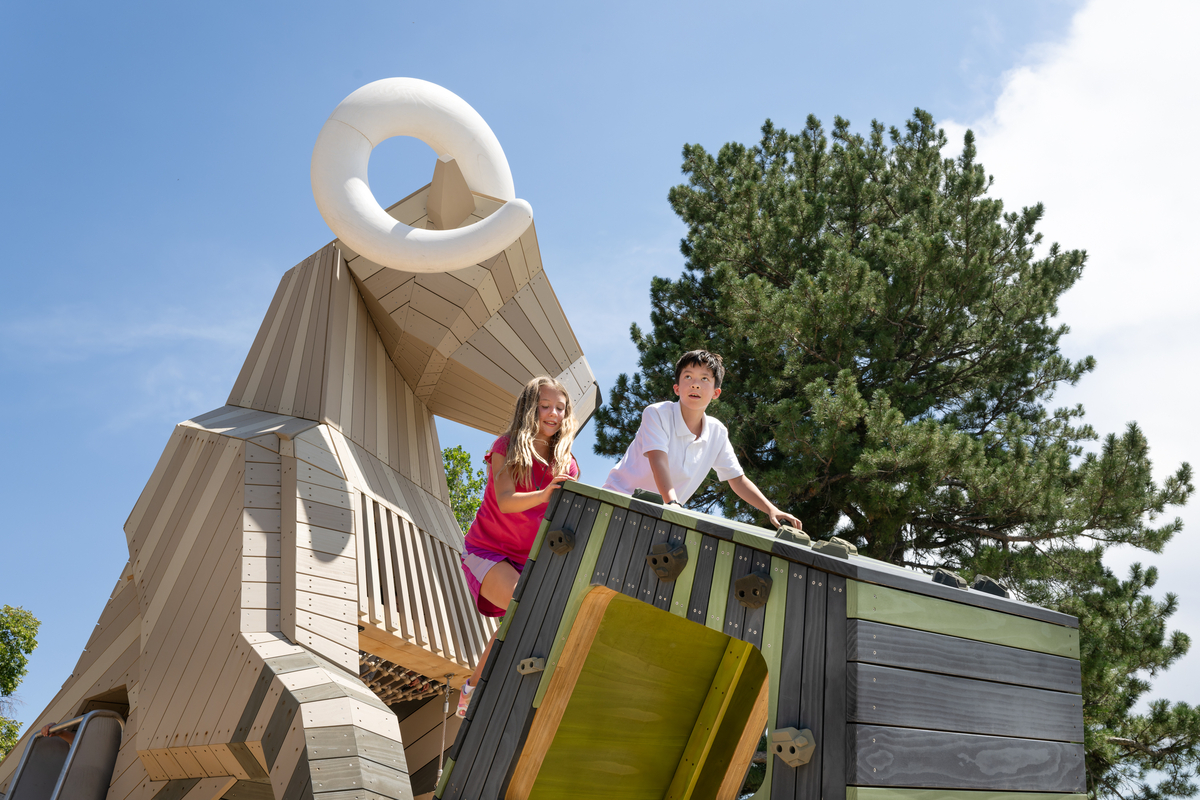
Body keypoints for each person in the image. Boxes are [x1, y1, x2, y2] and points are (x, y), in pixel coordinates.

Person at [457, 376, 579, 716]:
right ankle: (474, 691)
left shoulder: (567, 464)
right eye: (545, 406)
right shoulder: (506, 446)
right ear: (529, 408)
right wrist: (545, 494)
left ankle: (476, 689)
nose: (553, 414)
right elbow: (507, 501)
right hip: (488, 550)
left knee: (524, 620)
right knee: (522, 606)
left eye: (560, 408)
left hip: (528, 561)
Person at [603, 349, 802, 529]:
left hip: (658, 517)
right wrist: (672, 504)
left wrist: (771, 509)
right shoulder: (657, 413)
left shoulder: (717, 432)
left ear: (716, 393)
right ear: (677, 388)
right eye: (688, 376)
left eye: (704, 378)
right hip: (615, 501)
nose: (695, 384)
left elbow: (737, 479)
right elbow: (658, 461)